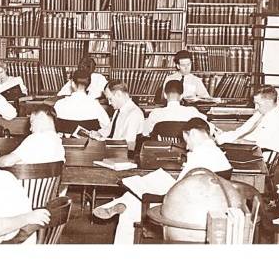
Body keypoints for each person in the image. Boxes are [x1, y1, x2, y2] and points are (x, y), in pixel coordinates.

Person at [94, 118, 232, 244]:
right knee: (140, 192)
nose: (187, 147)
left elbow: (178, 190)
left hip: (183, 211)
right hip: (205, 206)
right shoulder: (220, 155)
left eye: (187, 141)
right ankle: (119, 203)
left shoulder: (198, 154)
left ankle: (118, 207)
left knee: (129, 212)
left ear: (194, 134)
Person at [215, 85, 279, 156]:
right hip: (244, 149)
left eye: (258, 104)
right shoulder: (260, 113)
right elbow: (241, 131)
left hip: (258, 156)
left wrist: (250, 143)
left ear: (269, 102)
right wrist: (221, 135)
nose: (256, 108)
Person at [0, 106, 65, 168]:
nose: (30, 129)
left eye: (32, 123)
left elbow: (6, 162)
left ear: (42, 116)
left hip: (26, 181)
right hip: (49, 182)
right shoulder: (58, 142)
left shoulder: (36, 138)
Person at [90, 80, 144, 152]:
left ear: (119, 94)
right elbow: (110, 129)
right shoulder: (118, 110)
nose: (109, 103)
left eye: (110, 99)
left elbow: (129, 144)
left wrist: (104, 140)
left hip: (123, 154)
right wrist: (99, 133)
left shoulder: (134, 114)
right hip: (115, 150)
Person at [144, 79, 210, 136]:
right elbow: (209, 127)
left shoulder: (155, 113)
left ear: (165, 95)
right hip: (184, 149)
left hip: (162, 150)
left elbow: (145, 132)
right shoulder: (192, 111)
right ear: (181, 96)